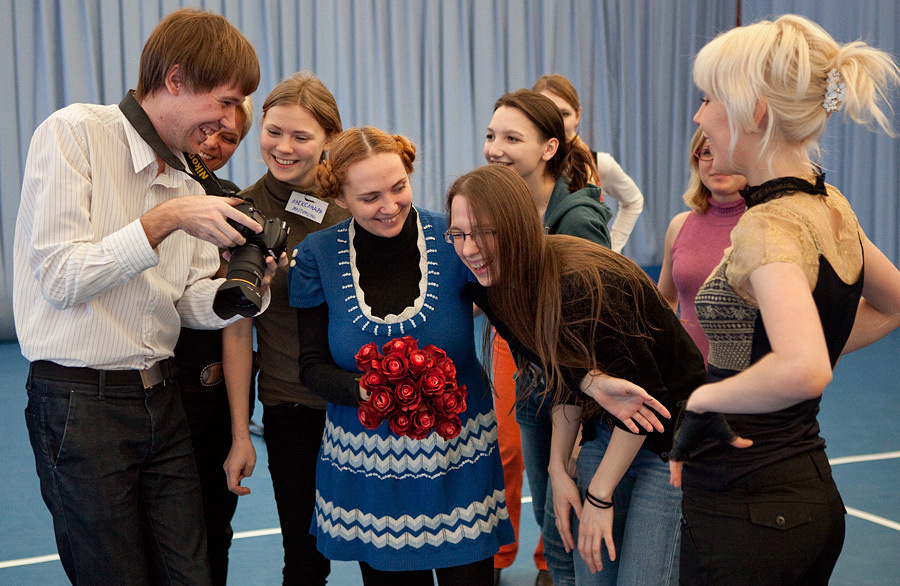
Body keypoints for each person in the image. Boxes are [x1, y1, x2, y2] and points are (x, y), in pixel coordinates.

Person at [12, 8, 283, 584]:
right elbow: (60, 278)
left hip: (163, 399)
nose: (232, 122)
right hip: (80, 403)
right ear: (176, 79)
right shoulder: (74, 133)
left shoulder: (189, 174)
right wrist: (167, 218)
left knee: (191, 573)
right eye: (227, 101)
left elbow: (183, 300)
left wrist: (246, 291)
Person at [668, 14, 900, 585]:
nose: (698, 117)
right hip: (806, 497)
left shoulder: (767, 226)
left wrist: (702, 401)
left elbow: (804, 367)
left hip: (746, 513)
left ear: (756, 113)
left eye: (708, 99)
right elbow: (893, 304)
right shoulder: (829, 204)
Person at [446, 164, 704, 585]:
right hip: (607, 430)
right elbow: (557, 374)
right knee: (593, 575)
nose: (470, 248)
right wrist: (559, 469)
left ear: (517, 228)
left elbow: (643, 407)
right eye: (458, 234)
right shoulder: (491, 286)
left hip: (669, 440)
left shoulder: (580, 282)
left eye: (485, 232)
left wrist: (599, 496)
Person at [288, 126, 514, 585]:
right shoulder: (317, 255)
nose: (389, 206)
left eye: (398, 187)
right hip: (372, 467)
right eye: (370, 197)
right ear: (341, 197)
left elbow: (514, 322)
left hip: (459, 456)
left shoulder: (453, 239)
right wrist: (372, 390)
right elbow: (311, 367)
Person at [484, 88, 612, 585]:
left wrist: (579, 430)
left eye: (512, 138)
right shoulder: (513, 210)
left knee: (571, 527)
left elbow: (596, 332)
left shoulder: (577, 220)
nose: (495, 147)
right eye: (491, 135)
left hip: (578, 395)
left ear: (549, 149)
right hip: (536, 381)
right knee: (553, 522)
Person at [234, 71, 351, 586]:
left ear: (329, 138)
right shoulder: (240, 211)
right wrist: (241, 429)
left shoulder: (361, 201)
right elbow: (235, 330)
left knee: (387, 552)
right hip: (291, 406)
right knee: (304, 557)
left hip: (364, 404)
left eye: (301, 137)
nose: (283, 148)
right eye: (273, 131)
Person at [173, 94, 256, 586]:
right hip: (151, 387)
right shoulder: (146, 193)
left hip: (212, 394)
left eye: (230, 138)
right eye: (209, 130)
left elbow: (237, 320)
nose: (215, 144)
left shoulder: (233, 202)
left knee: (212, 529)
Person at [657, 128, 746, 365]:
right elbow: (665, 299)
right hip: (687, 379)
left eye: (727, 151)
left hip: (746, 384)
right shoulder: (679, 225)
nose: (716, 162)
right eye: (707, 152)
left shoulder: (768, 226)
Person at [532, 74, 644, 254]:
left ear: (577, 116)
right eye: (547, 112)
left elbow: (633, 201)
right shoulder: (526, 166)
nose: (556, 122)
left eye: (564, 114)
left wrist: (612, 249)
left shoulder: (599, 163)